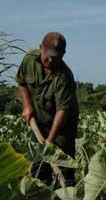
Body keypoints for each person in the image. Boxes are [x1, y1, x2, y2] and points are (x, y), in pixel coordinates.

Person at [16, 31, 79, 186]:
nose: (50, 60)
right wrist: (27, 106)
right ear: (40, 48)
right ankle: (41, 196)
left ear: (63, 54)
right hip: (38, 121)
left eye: (56, 57)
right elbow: (22, 82)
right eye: (48, 55)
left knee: (63, 167)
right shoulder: (29, 60)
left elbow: (62, 111)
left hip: (62, 126)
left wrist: (49, 143)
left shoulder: (64, 76)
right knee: (38, 164)